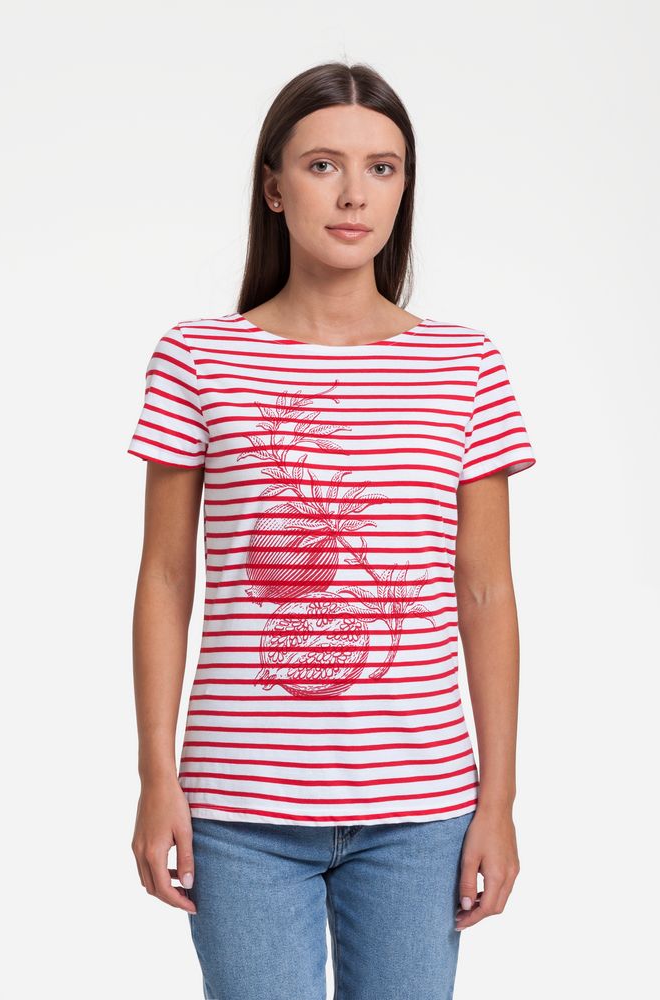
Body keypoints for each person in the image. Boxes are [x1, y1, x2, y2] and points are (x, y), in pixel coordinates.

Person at [127, 60, 537, 1000]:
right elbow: (164, 579)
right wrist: (156, 778)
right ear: (274, 187)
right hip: (238, 808)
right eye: (322, 165)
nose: (354, 194)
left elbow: (485, 592)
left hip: (421, 810)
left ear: (403, 188)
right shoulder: (199, 357)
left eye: (381, 168)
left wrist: (499, 801)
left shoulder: (464, 366)